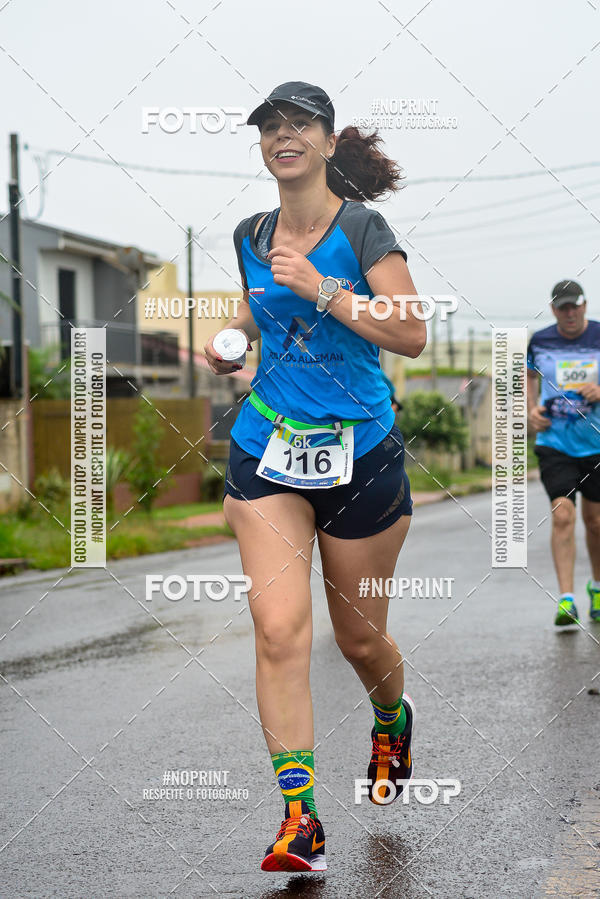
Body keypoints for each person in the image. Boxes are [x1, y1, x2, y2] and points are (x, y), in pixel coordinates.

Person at [205, 81, 426, 873]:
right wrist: (230, 339)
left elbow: (411, 333)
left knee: (359, 639)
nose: (283, 136)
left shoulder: (363, 228)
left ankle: (391, 718)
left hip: (360, 453)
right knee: (278, 629)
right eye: (270, 126)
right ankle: (300, 819)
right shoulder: (251, 232)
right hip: (269, 448)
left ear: (330, 143)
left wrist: (324, 289)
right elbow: (254, 311)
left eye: (299, 124)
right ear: (262, 146)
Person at [527, 280, 600, 627]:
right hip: (555, 443)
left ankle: (597, 589)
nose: (569, 313)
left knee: (596, 522)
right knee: (562, 515)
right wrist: (530, 410)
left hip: (596, 442)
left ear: (585, 306)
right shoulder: (540, 341)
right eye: (562, 307)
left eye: (575, 306)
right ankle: (566, 598)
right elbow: (526, 377)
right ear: (554, 309)